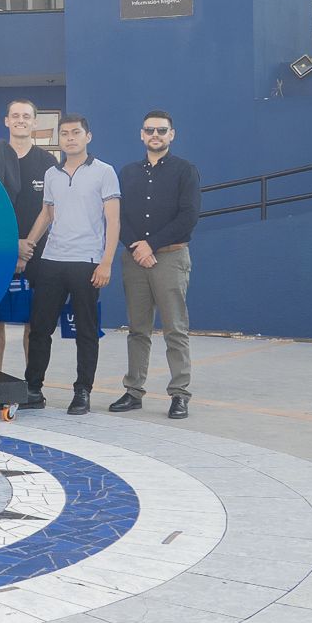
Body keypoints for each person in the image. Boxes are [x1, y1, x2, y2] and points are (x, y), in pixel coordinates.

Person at [19, 114, 121, 415]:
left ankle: (82, 391)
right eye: (64, 134)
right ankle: (33, 389)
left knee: (86, 331)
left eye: (76, 132)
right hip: (52, 260)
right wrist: (28, 246)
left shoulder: (104, 172)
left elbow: (113, 221)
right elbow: (46, 214)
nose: (70, 138)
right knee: (40, 329)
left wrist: (106, 263)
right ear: (59, 140)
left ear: (88, 136)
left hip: (87, 262)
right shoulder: (52, 173)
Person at [111, 110, 201, 420]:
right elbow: (118, 216)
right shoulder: (127, 173)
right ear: (141, 134)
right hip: (135, 258)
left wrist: (152, 245)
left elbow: (188, 216)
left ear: (171, 135)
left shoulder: (185, 171)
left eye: (162, 130)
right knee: (138, 329)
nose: (155, 135)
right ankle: (134, 391)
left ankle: (179, 394)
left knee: (175, 329)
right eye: (150, 130)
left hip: (171, 258)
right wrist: (137, 247)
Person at [0, 99, 57, 372]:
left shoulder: (48, 162)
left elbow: (49, 211)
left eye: (26, 116)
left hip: (36, 250)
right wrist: (10, 245)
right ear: (6, 121)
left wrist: (27, 247)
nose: (20, 120)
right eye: (15, 116)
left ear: (35, 122)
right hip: (0, 248)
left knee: (33, 320)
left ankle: (31, 382)